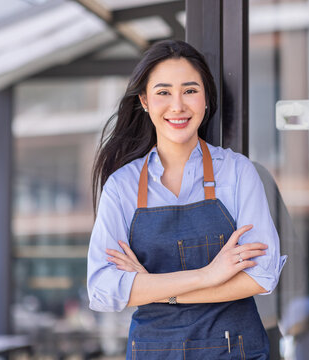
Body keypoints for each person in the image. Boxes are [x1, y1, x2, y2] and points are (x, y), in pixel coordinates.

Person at [87, 39, 286, 359]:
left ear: (206, 99)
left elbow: (261, 275)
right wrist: (207, 275)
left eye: (190, 90)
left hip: (233, 350)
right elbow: (103, 290)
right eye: (163, 92)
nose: (177, 105)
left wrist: (154, 289)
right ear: (145, 101)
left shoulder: (237, 173)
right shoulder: (121, 187)